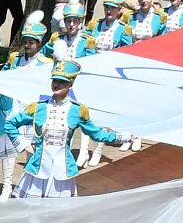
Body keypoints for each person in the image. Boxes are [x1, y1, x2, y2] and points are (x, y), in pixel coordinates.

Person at [10, 59, 123, 199]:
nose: (57, 84)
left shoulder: (78, 110)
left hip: (62, 169)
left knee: (55, 213)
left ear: (71, 83)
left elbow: (96, 134)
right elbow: (10, 124)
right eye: (55, 80)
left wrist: (119, 137)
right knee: (32, 211)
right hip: (38, 167)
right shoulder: (38, 107)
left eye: (62, 81)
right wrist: (23, 144)